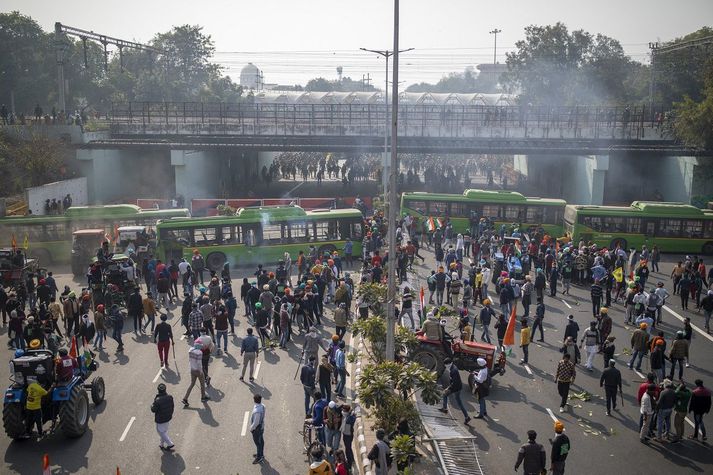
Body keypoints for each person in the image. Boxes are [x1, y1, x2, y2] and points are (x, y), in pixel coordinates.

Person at [151, 383, 175, 451]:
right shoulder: (170, 397)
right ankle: (161, 444)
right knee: (164, 431)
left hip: (160, 419)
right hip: (168, 417)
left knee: (160, 432)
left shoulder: (158, 400)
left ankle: (170, 443)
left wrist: (152, 404)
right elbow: (172, 406)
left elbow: (153, 410)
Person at [250, 394, 266, 464]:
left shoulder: (257, 411)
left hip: (257, 429)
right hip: (261, 427)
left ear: (254, 400)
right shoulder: (262, 406)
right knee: (261, 441)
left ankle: (259, 457)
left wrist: (251, 428)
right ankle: (260, 454)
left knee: (258, 443)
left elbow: (256, 422)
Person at [340, 404, 356, 471]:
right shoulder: (350, 415)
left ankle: (350, 462)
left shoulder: (349, 418)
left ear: (347, 411)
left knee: (348, 449)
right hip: (347, 433)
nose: (342, 411)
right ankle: (352, 459)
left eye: (344, 410)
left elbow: (348, 419)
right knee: (348, 448)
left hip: (348, 435)